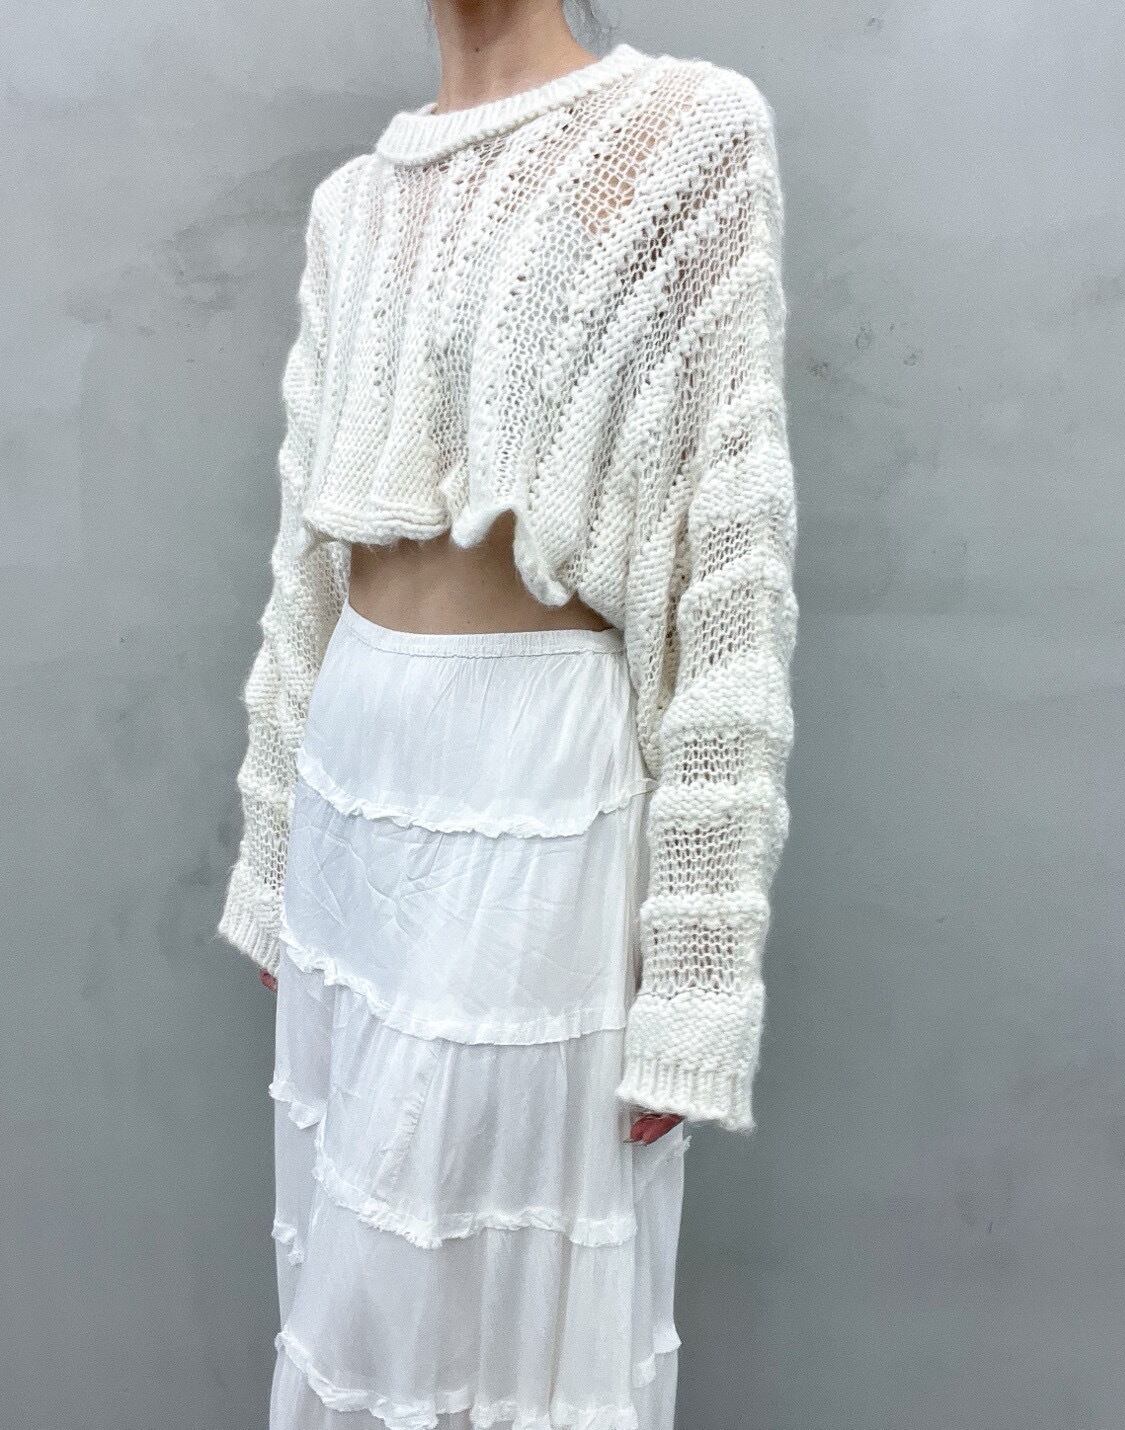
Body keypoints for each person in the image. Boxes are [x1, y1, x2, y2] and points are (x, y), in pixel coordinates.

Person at [216, 2, 798, 1425]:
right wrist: (274, 849)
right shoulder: (352, 206)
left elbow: (731, 565)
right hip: (354, 791)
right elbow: (306, 561)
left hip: (536, 788)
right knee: (351, 1279)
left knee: (482, 1305)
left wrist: (701, 972)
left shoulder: (685, 136)